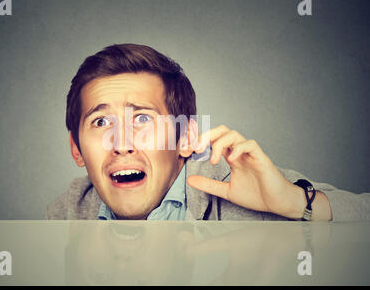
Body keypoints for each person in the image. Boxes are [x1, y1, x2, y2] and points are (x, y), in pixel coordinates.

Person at [47, 43, 369, 221]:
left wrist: (295, 202)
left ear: (185, 138)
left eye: (142, 119)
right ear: (76, 149)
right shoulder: (67, 215)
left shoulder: (238, 192)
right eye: (101, 122)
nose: (122, 143)